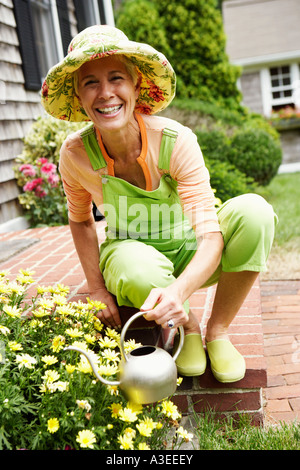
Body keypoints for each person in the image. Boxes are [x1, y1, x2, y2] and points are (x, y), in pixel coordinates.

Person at [41, 25, 277, 383]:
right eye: (90, 82)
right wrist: (98, 289)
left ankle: (218, 330)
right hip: (132, 251)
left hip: (190, 248)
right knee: (137, 271)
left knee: (255, 212)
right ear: (78, 95)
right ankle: (189, 327)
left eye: (116, 78)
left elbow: (211, 237)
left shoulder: (175, 140)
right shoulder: (75, 155)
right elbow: (81, 220)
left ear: (136, 86)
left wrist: (179, 291)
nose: (105, 94)